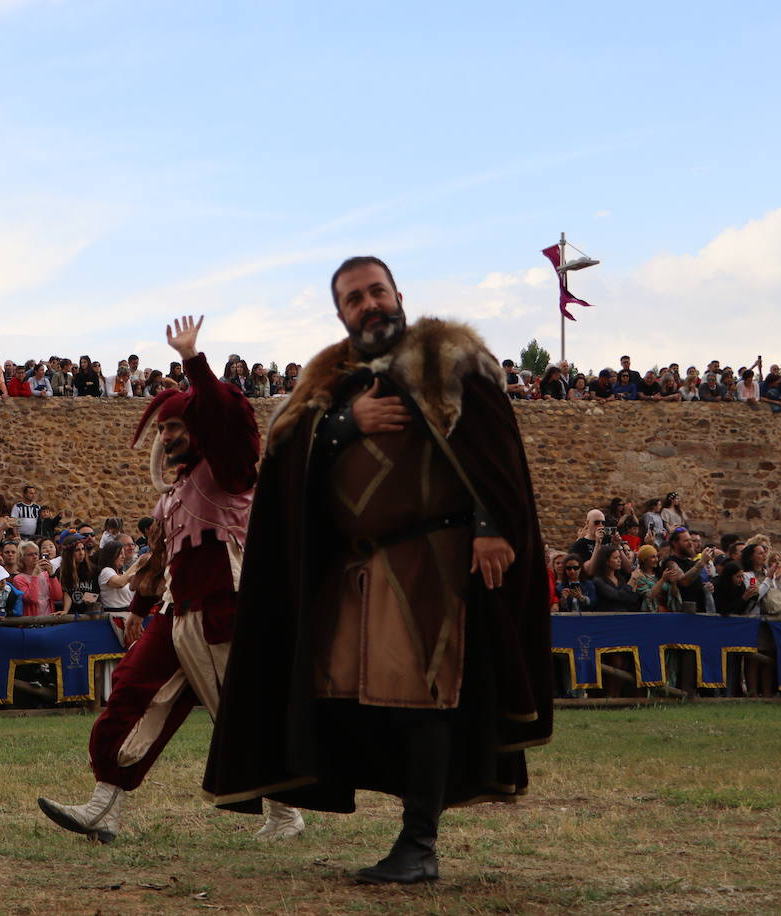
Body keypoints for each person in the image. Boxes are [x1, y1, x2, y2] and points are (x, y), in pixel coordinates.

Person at [201, 257, 552, 885]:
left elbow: (492, 448)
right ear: (341, 313)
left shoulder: (447, 357)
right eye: (354, 299)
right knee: (350, 696)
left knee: (421, 695)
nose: (368, 305)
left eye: (376, 291)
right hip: (352, 568)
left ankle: (418, 845)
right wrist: (346, 423)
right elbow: (287, 453)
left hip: (432, 559)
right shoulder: (328, 382)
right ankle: (410, 830)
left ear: (398, 294)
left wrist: (491, 523)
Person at [38, 315, 306, 846]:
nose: (167, 436)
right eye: (162, 429)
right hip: (177, 613)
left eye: (175, 427)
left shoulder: (229, 473)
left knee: (244, 712)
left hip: (228, 612)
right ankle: (104, 808)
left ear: (199, 427)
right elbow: (161, 558)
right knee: (131, 695)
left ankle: (285, 813)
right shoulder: (174, 494)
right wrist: (140, 608)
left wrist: (193, 362)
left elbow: (230, 422)